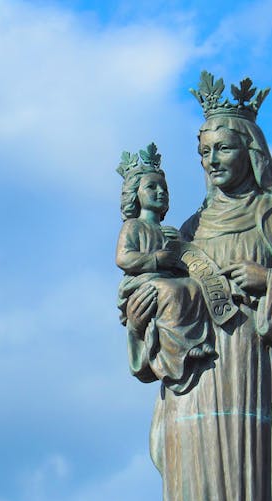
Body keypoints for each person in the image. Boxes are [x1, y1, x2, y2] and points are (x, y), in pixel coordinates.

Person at [125, 74, 272, 501]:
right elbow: (152, 329)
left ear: (250, 153)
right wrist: (140, 318)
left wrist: (268, 282)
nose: (212, 161)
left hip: (248, 385)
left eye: (223, 149)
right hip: (190, 390)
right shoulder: (188, 231)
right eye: (205, 152)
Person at [116, 143, 213, 394]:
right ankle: (175, 353)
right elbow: (124, 258)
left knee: (191, 288)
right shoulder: (133, 227)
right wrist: (157, 260)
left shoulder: (170, 232)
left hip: (168, 281)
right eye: (152, 187)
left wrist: (179, 248)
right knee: (171, 292)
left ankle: (193, 342)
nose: (160, 192)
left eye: (164, 188)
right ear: (134, 194)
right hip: (143, 283)